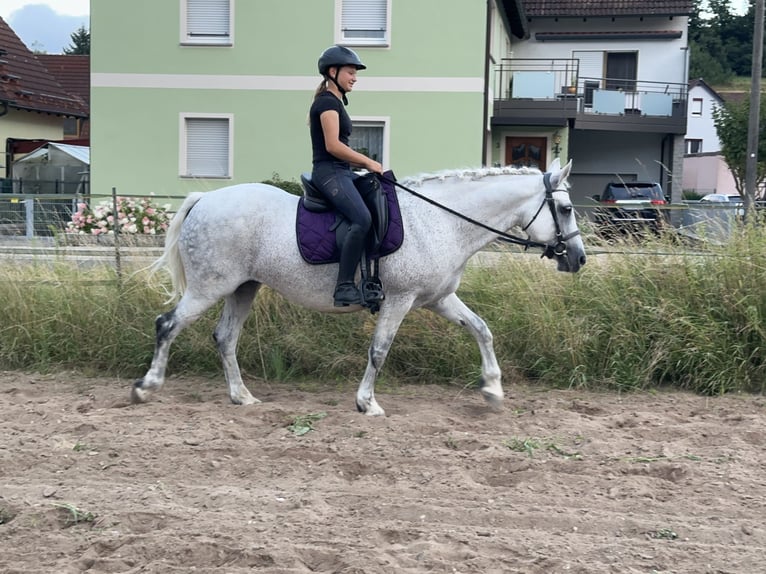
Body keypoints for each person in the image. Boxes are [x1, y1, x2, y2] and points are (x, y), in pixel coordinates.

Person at [309, 45, 383, 307]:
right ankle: (344, 286)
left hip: (342, 172)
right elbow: (333, 146)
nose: (354, 78)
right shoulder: (327, 102)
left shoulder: (335, 102)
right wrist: (368, 161)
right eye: (350, 72)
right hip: (329, 172)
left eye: (355, 73)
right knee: (361, 218)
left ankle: (372, 278)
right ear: (333, 72)